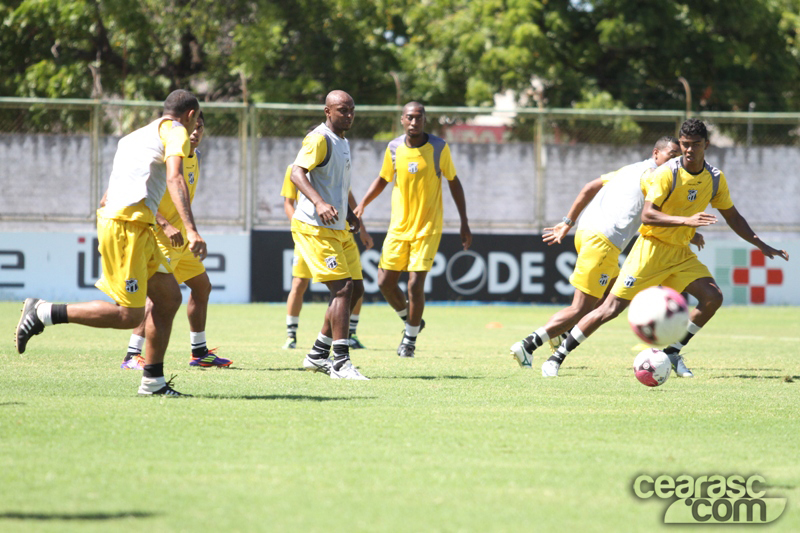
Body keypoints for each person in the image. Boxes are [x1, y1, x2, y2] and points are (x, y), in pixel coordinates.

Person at [541, 118, 789, 377]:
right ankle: (557, 357)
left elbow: (733, 217)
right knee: (610, 309)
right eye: (685, 144)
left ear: (706, 144)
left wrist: (760, 244)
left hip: (680, 253)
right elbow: (648, 215)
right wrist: (687, 221)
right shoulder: (667, 173)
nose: (689, 150)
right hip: (650, 250)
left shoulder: (715, 179)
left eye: (695, 144)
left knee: (712, 297)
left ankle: (672, 352)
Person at [15, 89, 207, 396]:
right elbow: (175, 178)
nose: (195, 126)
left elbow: (110, 192)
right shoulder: (177, 132)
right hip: (127, 226)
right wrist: (192, 230)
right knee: (128, 316)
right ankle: (43, 312)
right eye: (196, 120)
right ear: (190, 115)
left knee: (169, 298)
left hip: (135, 224)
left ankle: (153, 382)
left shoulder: (135, 136)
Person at [509, 136, 683, 370]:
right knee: (580, 308)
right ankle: (527, 345)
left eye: (678, 158)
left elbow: (589, 187)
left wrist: (568, 222)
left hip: (588, 232)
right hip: (603, 243)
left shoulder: (629, 169)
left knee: (612, 297)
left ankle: (562, 333)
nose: (675, 162)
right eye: (671, 156)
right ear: (656, 154)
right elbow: (653, 215)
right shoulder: (653, 176)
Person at [354, 101, 471, 358]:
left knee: (415, 284)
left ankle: (409, 340)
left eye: (418, 117)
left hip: (427, 228)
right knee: (384, 282)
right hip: (398, 228)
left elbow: (454, 182)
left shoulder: (439, 148)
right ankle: (412, 319)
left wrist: (464, 221)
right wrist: (362, 204)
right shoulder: (394, 148)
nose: (414, 122)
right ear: (402, 120)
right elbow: (383, 178)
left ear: (424, 120)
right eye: (409, 117)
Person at [120, 112, 232, 370]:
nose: (196, 132)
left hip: (182, 240)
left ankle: (199, 352)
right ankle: (132, 355)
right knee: (158, 297)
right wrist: (165, 224)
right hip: (160, 238)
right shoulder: (165, 158)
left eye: (200, 128)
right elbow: (140, 194)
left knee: (202, 287)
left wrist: (189, 230)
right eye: (193, 127)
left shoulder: (196, 157)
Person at [290, 90, 368, 380]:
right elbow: (296, 173)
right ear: (327, 111)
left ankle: (317, 354)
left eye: (351, 110)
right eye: (342, 110)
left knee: (355, 289)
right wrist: (319, 203)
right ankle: (340, 362)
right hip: (315, 227)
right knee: (343, 289)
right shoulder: (319, 139)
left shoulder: (342, 141)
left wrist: (348, 213)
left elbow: (336, 183)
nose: (348, 115)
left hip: (337, 227)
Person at [280, 162, 373, 349]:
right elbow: (288, 203)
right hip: (311, 234)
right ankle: (292, 335)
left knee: (356, 284)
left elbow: (349, 199)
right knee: (299, 283)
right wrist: (298, 229)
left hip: (342, 235)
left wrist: (362, 229)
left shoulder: (336, 165)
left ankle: (350, 334)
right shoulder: (295, 169)